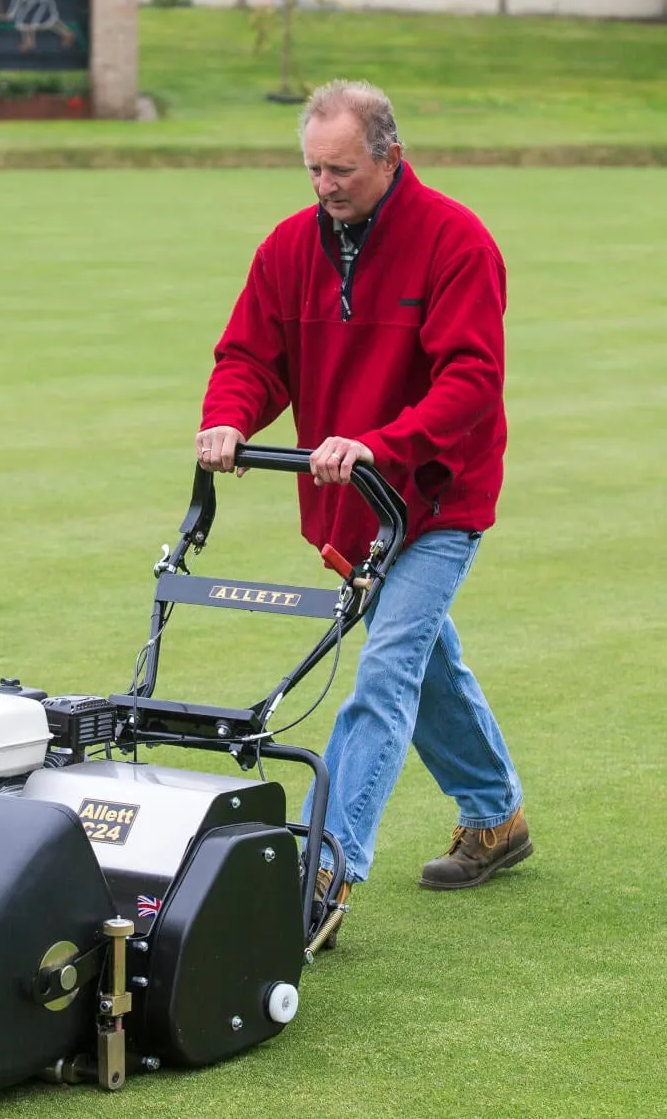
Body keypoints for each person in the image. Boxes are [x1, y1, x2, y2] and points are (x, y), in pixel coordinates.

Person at [195, 80, 529, 938]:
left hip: (436, 495)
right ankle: (495, 819)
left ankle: (323, 873)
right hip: (348, 508)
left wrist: (384, 441)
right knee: (425, 662)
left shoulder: (455, 242)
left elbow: (471, 381)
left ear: (388, 155)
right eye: (312, 168)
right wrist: (229, 416)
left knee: (385, 673)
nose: (324, 186)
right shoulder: (288, 248)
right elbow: (250, 355)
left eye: (340, 169)